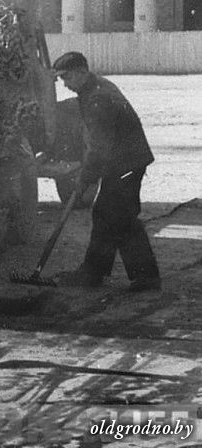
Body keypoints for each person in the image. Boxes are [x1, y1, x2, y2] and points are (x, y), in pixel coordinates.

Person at [52, 51, 161, 292]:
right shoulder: (94, 88)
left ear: (81, 72)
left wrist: (85, 178)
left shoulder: (96, 98)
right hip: (124, 162)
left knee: (120, 217)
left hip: (126, 164)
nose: (65, 85)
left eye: (67, 78)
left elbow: (99, 146)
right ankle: (93, 273)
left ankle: (146, 278)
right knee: (106, 213)